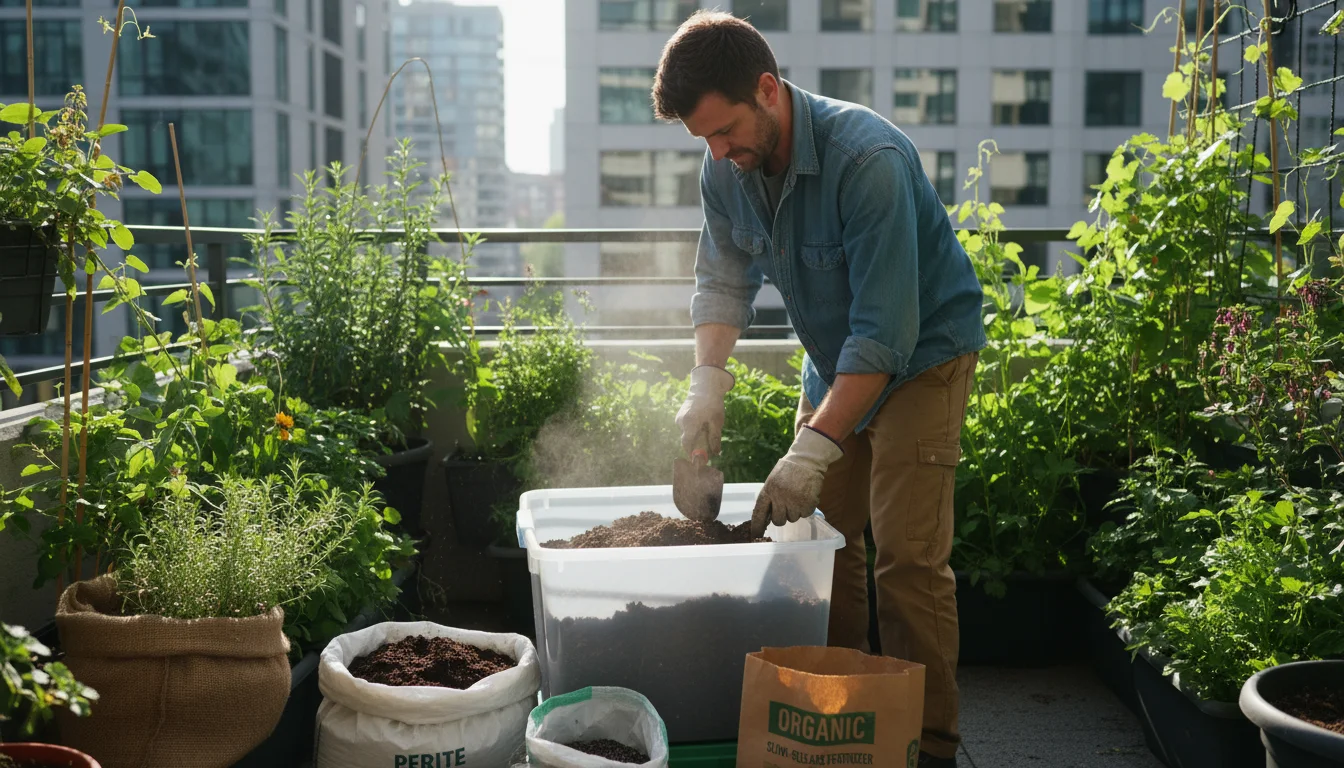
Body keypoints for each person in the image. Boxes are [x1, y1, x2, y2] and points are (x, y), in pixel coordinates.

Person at [657, 11, 986, 767]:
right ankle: (842, 714)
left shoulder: (866, 159)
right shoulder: (725, 167)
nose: (720, 154)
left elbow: (884, 339)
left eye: (727, 131)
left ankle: (927, 745)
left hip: (921, 357)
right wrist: (708, 381)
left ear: (768, 90)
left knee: (906, 557)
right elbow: (720, 282)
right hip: (836, 357)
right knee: (817, 547)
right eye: (704, 139)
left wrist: (811, 449)